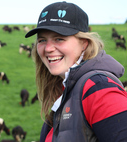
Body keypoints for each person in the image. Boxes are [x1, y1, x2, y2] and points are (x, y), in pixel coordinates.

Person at [25, 1, 127, 142]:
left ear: (84, 43)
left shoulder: (98, 88)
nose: (48, 48)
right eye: (42, 40)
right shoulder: (66, 90)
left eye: (59, 39)